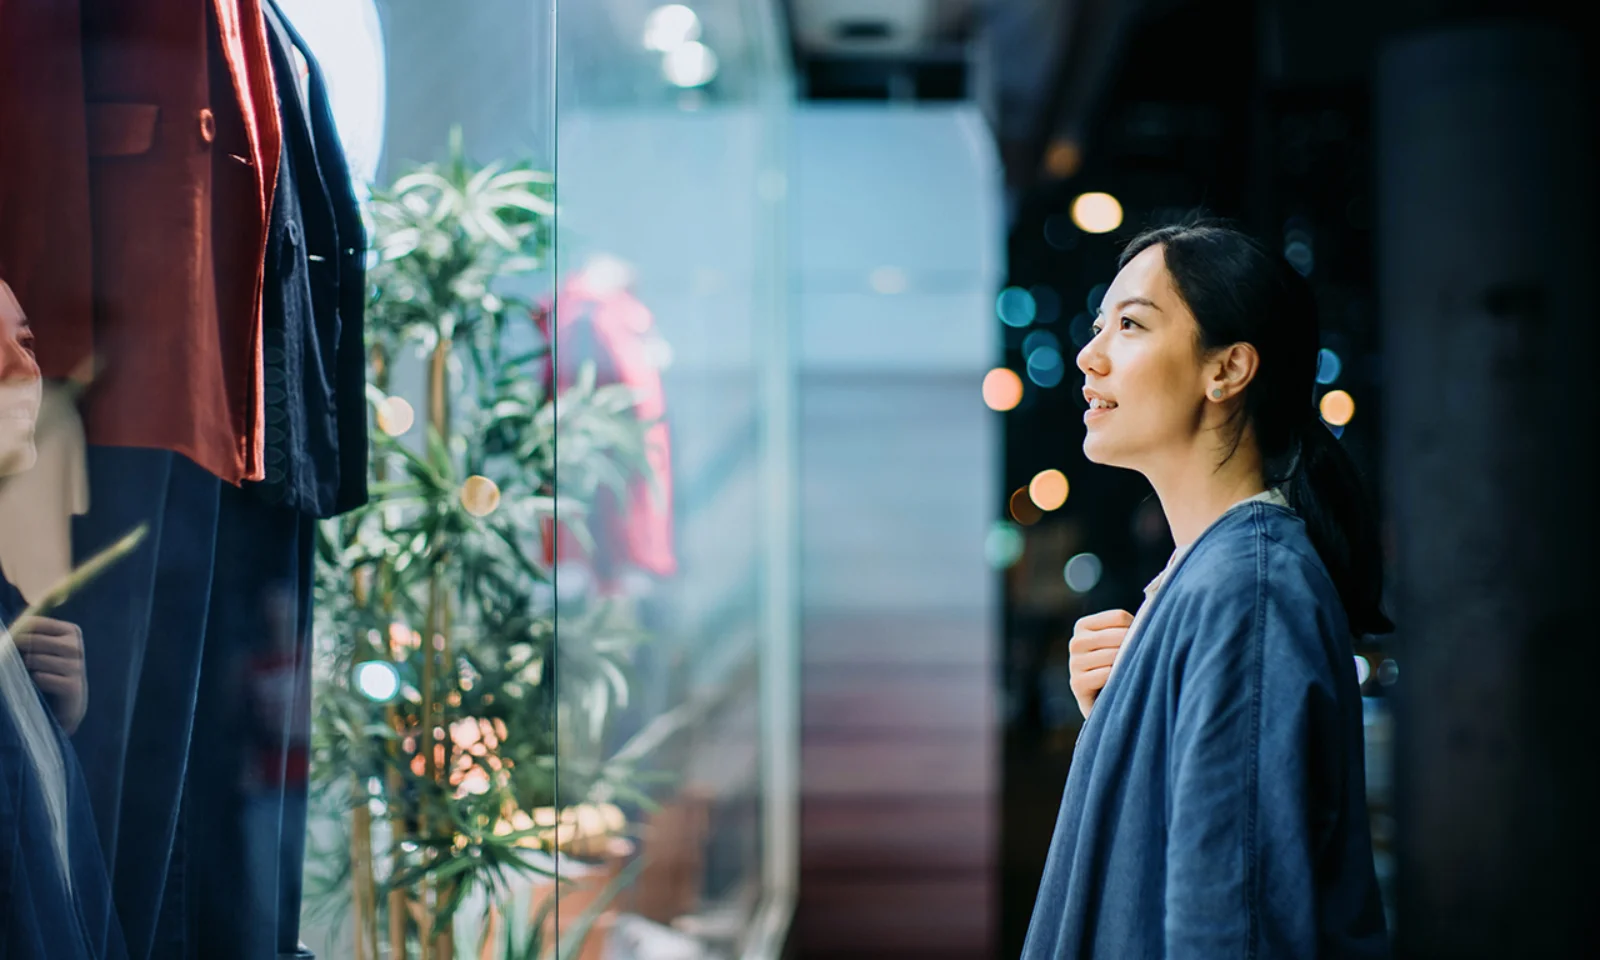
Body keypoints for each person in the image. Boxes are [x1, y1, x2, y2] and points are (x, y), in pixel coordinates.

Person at [1021, 221, 1391, 958]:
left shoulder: (1246, 592)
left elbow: (1233, 921)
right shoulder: (1216, 580)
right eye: (1099, 325)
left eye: (1129, 325)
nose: (1090, 357)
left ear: (1227, 370)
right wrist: (1131, 712)